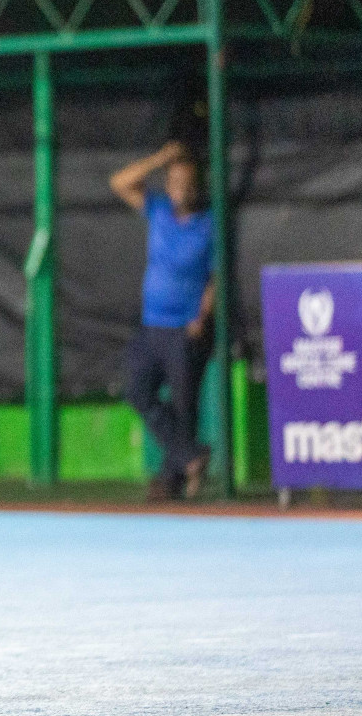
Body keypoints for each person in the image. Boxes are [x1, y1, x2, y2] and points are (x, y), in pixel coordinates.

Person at [110, 141, 215, 500]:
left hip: (185, 329)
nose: (180, 190)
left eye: (187, 183)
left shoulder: (210, 224)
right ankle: (190, 456)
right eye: (174, 182)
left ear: (198, 186)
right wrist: (159, 159)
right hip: (151, 325)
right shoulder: (156, 209)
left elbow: (215, 277)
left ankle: (171, 483)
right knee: (138, 391)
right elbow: (120, 183)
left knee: (184, 406)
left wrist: (202, 315)